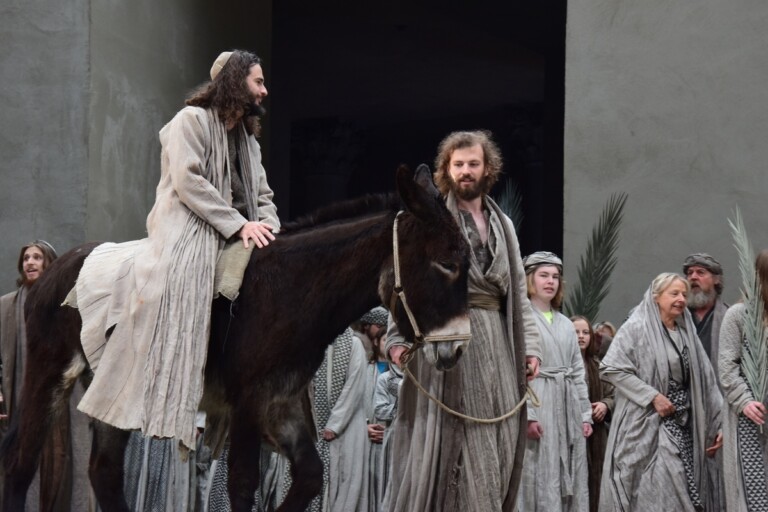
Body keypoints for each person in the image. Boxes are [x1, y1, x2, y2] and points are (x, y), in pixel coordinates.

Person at [73, 49, 280, 451]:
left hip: (243, 230)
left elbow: (264, 194)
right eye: (258, 81)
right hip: (189, 227)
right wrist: (240, 224)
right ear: (236, 82)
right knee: (178, 283)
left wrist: (268, 224)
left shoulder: (248, 142)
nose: (264, 90)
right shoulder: (190, 122)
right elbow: (189, 183)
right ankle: (163, 387)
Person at [384, 130, 542, 512]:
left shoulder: (503, 225)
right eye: (459, 165)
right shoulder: (431, 218)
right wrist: (395, 338)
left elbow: (518, 290)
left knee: (496, 439)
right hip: (447, 339)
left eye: (473, 163)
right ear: (446, 169)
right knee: (448, 445)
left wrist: (532, 347)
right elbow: (406, 280)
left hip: (498, 349)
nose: (466, 171)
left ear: (488, 168)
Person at [599, 273, 723, 511]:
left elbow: (707, 379)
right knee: (658, 485)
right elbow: (611, 368)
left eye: (684, 294)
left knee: (680, 487)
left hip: (683, 425)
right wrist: (652, 396)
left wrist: (718, 424)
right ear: (656, 297)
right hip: (645, 424)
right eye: (674, 293)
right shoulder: (635, 328)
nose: (680, 299)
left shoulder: (687, 334)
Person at [1, 242, 92, 510]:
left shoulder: (67, 306)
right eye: (26, 258)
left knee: (62, 461)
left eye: (37, 257)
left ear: (49, 264)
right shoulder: (6, 306)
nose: (30, 262)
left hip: (61, 399)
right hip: (23, 396)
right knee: (25, 458)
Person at [518, 252, 592, 512]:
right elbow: (516, 370)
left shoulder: (564, 323)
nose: (550, 282)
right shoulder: (521, 320)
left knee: (569, 469)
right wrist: (529, 414)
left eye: (555, 277)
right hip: (539, 399)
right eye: (543, 276)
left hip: (567, 403)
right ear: (529, 279)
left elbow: (576, 371)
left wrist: (585, 414)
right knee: (537, 470)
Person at [719, 248, 768, 511]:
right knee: (750, 490)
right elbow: (727, 369)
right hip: (748, 416)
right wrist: (745, 401)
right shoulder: (738, 315)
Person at [571, 315, 614, 512]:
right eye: (575, 332)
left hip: (596, 436)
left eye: (585, 332)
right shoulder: (562, 368)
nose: (581, 337)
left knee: (596, 479)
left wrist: (605, 405)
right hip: (570, 433)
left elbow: (614, 395)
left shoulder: (598, 367)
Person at [360, 307, 390, 511]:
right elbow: (356, 403)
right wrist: (364, 428)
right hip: (365, 441)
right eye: (384, 337)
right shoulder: (364, 369)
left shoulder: (399, 376)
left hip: (390, 439)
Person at [683, 253, 728, 370]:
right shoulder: (677, 315)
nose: (693, 277)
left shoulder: (729, 316)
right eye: (689, 273)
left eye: (700, 272)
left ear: (716, 279)